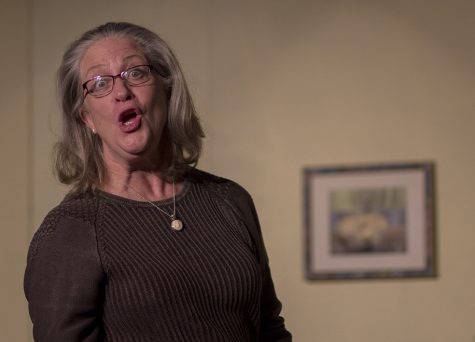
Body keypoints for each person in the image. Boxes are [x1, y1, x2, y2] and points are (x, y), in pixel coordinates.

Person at [24, 22, 292, 341]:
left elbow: (269, 327)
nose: (121, 92)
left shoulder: (229, 200)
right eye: (99, 83)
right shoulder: (71, 230)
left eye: (136, 73)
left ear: (166, 88)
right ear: (86, 117)